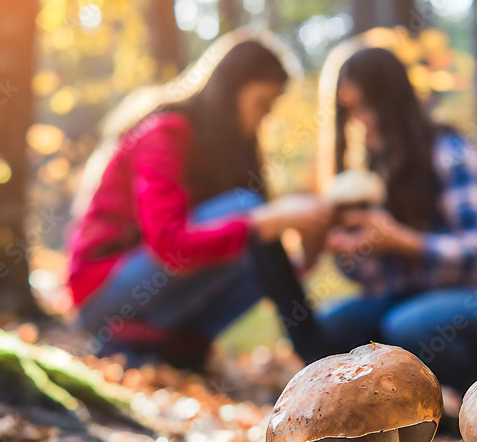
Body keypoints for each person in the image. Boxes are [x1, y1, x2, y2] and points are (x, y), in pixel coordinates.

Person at [67, 38, 331, 368]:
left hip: (151, 294)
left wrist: (308, 252)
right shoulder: (163, 133)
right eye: (261, 104)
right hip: (102, 292)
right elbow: (170, 246)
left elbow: (263, 266)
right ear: (230, 90)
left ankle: (159, 344)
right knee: (247, 210)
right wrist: (267, 221)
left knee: (256, 249)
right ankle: (315, 354)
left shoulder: (222, 153)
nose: (262, 120)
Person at [318, 47, 477, 395]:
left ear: (390, 102)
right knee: (332, 325)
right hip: (410, 298)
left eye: (364, 107)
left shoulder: (450, 152)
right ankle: (409, 417)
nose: (359, 121)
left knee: (407, 327)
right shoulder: (370, 171)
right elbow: (378, 281)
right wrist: (349, 250)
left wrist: (401, 240)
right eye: (350, 111)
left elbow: (476, 254)